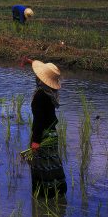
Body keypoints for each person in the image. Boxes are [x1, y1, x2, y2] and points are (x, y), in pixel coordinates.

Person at [27, 60, 67, 198]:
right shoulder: (51, 93)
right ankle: (58, 193)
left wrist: (35, 141)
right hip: (52, 134)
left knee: (40, 166)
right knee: (53, 163)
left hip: (43, 135)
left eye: (37, 75)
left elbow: (39, 120)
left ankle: (42, 197)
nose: (35, 77)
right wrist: (29, 61)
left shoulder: (40, 95)